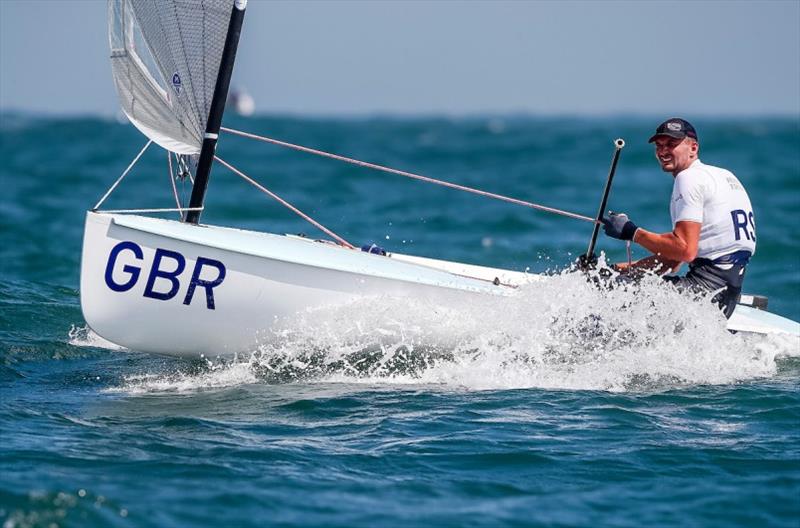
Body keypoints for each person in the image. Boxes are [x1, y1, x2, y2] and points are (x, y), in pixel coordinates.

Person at [601, 118, 756, 318]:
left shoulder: (688, 178)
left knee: (611, 294)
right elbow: (671, 261)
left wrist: (632, 232)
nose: (663, 151)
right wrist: (612, 270)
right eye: (659, 145)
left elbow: (685, 250)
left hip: (703, 293)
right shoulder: (724, 176)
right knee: (614, 281)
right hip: (725, 297)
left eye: (672, 144)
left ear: (693, 148)